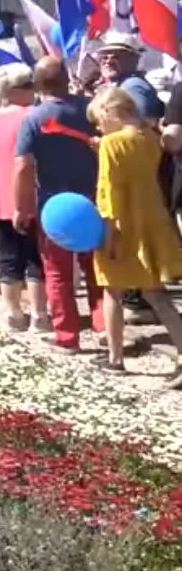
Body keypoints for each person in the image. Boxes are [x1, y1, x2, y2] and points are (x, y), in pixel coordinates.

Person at [85, 88, 182, 380]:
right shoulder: (151, 137)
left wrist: (109, 231)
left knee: (112, 289)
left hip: (123, 224)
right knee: (157, 295)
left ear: (107, 113)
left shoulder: (110, 143)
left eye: (98, 121)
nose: (99, 129)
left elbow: (108, 190)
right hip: (151, 220)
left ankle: (116, 358)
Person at [14, 56, 104, 351]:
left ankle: (67, 336)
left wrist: (21, 206)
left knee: (58, 273)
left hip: (54, 206)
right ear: (67, 78)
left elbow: (23, 167)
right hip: (94, 200)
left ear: (37, 84)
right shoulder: (91, 109)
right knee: (98, 270)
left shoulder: (33, 118)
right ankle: (105, 327)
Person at [0, 65, 48, 332]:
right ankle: (40, 315)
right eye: (28, 85)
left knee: (8, 260)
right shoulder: (37, 116)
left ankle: (14, 314)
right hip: (35, 197)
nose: (33, 89)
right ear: (13, 90)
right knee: (37, 260)